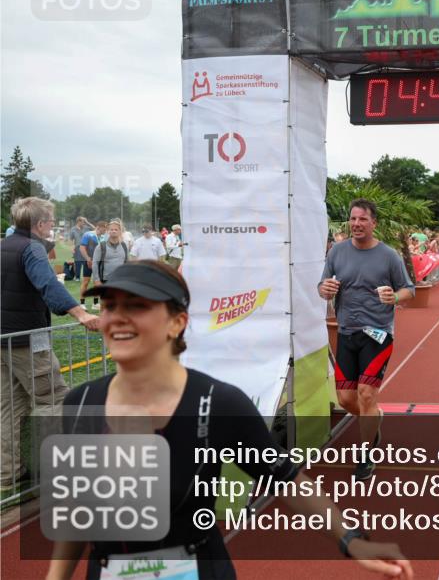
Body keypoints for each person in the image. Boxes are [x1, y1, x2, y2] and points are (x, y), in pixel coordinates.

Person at [45, 261, 413, 580]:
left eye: (137, 306)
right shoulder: (82, 403)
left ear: (177, 322)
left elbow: (286, 479)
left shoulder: (217, 403)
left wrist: (352, 540)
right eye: (108, 306)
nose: (117, 318)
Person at [0, 198, 99, 493]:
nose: (53, 226)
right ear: (40, 224)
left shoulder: (3, 245)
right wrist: (80, 312)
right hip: (27, 341)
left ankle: (8, 474)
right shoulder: (32, 248)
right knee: (55, 401)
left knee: (8, 407)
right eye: (51, 221)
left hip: (2, 340)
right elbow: (48, 284)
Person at [317, 199, 414, 480]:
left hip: (378, 335)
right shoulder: (337, 252)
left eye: (362, 219)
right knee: (346, 400)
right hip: (347, 332)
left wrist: (394, 297)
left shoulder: (389, 256)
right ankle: (374, 420)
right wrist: (325, 288)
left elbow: (409, 290)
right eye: (353, 219)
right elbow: (322, 287)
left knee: (366, 394)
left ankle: (366, 454)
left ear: (374, 223)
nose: (357, 224)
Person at [90, 219, 129, 287]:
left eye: (116, 229)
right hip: (106, 280)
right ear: (108, 231)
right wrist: (96, 280)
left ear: (120, 231)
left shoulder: (124, 246)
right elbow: (95, 264)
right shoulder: (101, 246)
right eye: (111, 229)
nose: (113, 231)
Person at [78, 220, 107, 309]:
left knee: (97, 282)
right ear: (99, 227)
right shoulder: (88, 234)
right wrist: (87, 259)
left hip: (99, 263)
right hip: (88, 261)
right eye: (104, 228)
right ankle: (82, 304)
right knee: (86, 281)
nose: (106, 230)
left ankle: (95, 303)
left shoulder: (103, 237)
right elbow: (82, 248)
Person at [68, 216, 91, 281]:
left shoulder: (86, 228)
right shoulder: (73, 229)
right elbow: (70, 239)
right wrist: (71, 248)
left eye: (84, 222)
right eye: (83, 222)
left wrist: (88, 222)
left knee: (85, 262)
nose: (84, 223)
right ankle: (77, 277)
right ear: (78, 221)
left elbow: (95, 229)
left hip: (86, 248)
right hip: (77, 248)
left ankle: (85, 277)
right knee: (77, 263)